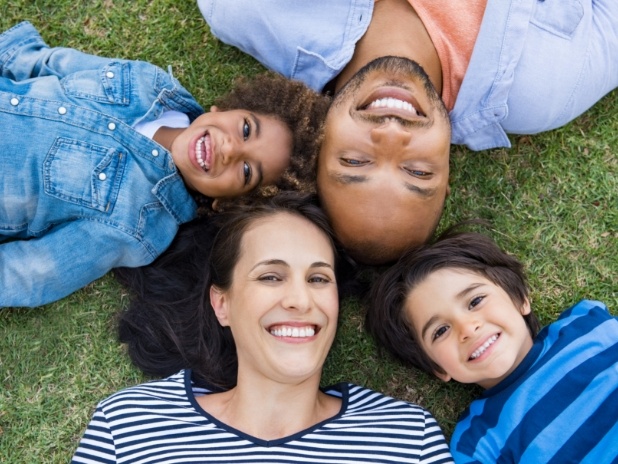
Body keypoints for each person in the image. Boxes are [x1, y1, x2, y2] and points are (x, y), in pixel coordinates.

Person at [197, 0, 618, 264]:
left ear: (317, 149)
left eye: (355, 161)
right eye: (417, 172)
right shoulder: (542, 88)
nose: (392, 135)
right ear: (446, 174)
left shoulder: (249, 10)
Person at [71, 194, 454, 463]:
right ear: (223, 304)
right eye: (271, 276)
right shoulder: (129, 425)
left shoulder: (405, 438)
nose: (301, 301)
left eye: (319, 279)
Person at [0, 21, 330, 308]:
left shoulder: (137, 224)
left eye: (246, 172)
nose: (230, 149)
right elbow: (62, 65)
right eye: (245, 128)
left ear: (225, 203)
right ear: (224, 109)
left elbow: (39, 270)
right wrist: (15, 54)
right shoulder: (147, 83)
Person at [366, 230, 618, 462]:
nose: (467, 329)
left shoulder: (586, 324)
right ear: (438, 368)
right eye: (440, 331)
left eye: (475, 301)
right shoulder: (476, 443)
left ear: (519, 299)